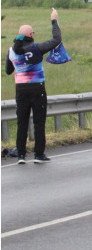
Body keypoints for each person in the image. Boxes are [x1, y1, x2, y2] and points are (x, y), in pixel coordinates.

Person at [5, 8, 61, 163]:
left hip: (20, 90)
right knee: (38, 121)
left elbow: (8, 71)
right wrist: (54, 20)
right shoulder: (37, 48)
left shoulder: (11, 51)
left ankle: (21, 155)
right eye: (33, 33)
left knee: (21, 121)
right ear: (30, 35)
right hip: (37, 88)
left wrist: (19, 64)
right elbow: (56, 40)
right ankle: (38, 154)